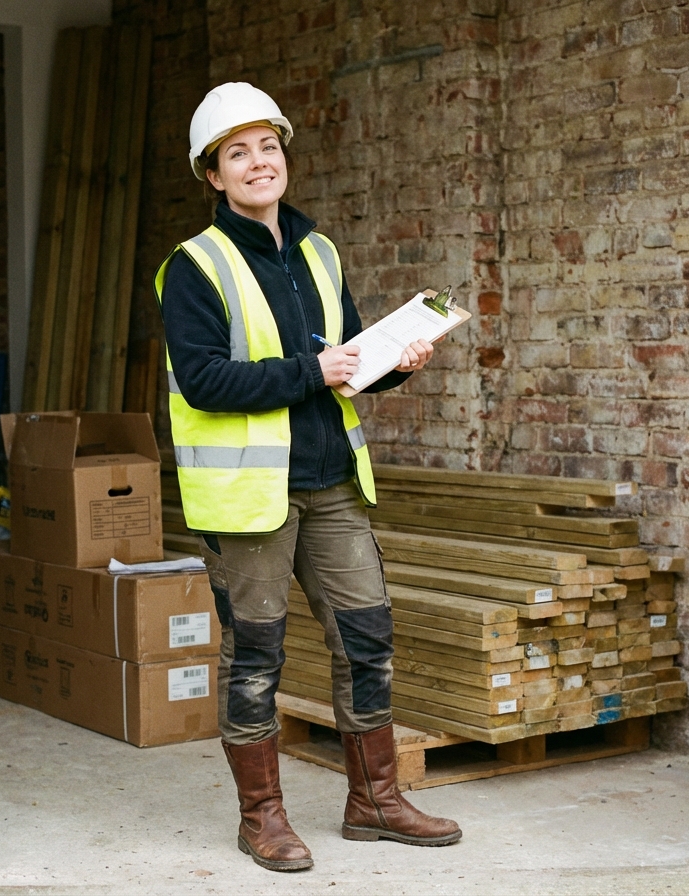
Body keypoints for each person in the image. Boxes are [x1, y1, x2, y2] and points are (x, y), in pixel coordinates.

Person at [155, 82, 462, 873]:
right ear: (213, 176)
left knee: (369, 642)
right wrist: (310, 369)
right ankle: (262, 818)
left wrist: (397, 363)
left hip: (330, 484)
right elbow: (203, 381)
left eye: (268, 146)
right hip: (250, 500)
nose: (259, 162)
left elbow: (346, 365)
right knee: (255, 658)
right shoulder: (195, 267)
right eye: (237, 152)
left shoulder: (318, 251)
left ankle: (375, 803)